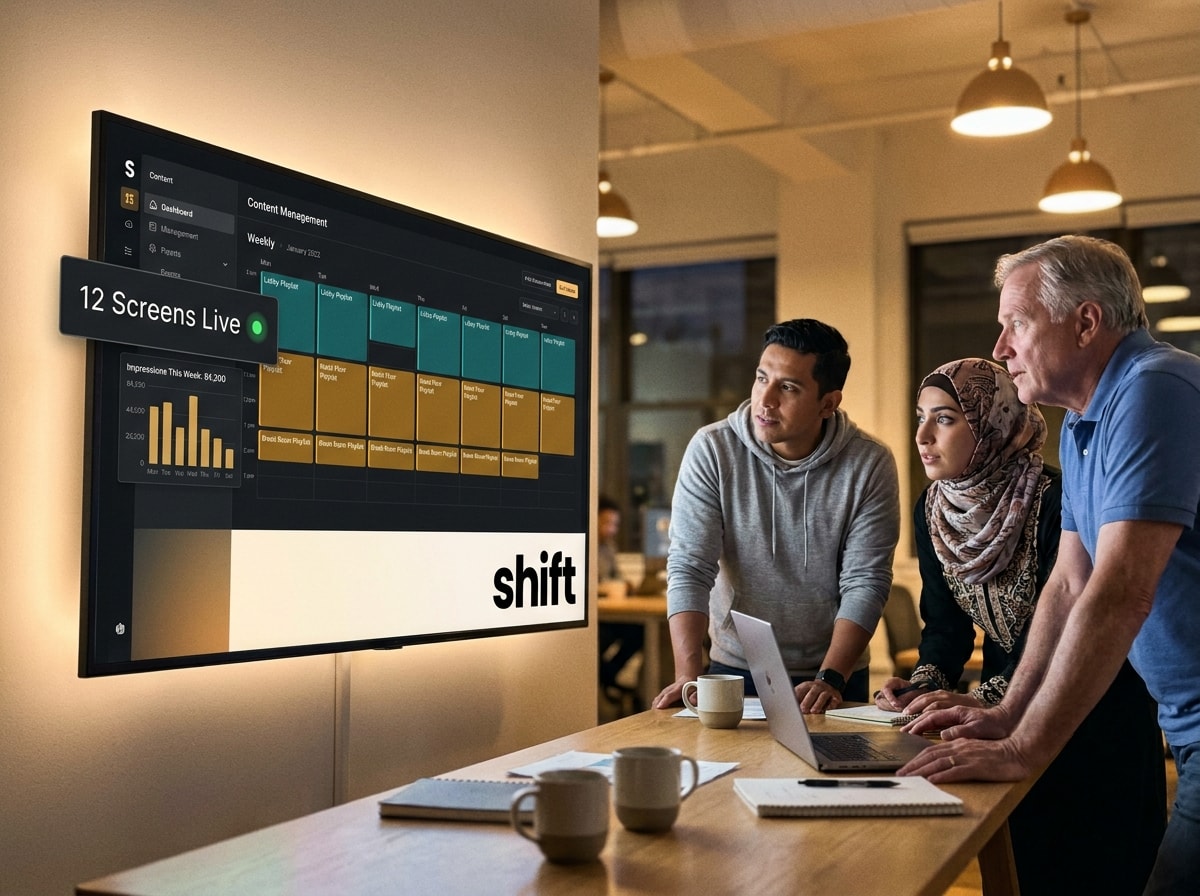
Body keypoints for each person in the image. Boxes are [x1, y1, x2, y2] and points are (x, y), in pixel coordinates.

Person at [899, 235, 1200, 895]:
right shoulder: (1081, 421)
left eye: (1017, 324)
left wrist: (1024, 746)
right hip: (1182, 721)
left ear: (1086, 322)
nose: (1001, 347)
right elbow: (1070, 584)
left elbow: (1120, 591)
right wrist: (1009, 718)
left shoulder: (1155, 387)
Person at [879, 356, 1163, 895]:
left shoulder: (1056, 500)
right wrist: (925, 683)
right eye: (921, 416)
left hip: (1095, 709)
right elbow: (945, 625)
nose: (921, 435)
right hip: (1009, 719)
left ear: (992, 421)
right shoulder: (933, 509)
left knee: (1106, 870)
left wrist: (989, 698)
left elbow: (1063, 619)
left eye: (944, 418)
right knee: (1025, 868)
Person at [651, 318, 900, 713]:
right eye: (761, 378)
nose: (764, 400)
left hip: (833, 673)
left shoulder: (869, 463)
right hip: (736, 667)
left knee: (835, 774)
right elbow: (690, 566)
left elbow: (866, 579)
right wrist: (688, 673)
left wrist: (831, 676)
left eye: (788, 387)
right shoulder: (714, 449)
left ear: (828, 403)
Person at [596, 495, 645, 707]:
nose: (612, 529)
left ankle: (608, 678)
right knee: (595, 645)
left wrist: (626, 585)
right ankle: (609, 680)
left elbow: (615, 578)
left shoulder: (608, 548)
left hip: (611, 612)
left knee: (638, 631)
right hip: (596, 617)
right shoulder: (584, 546)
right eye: (607, 522)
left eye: (615, 524)